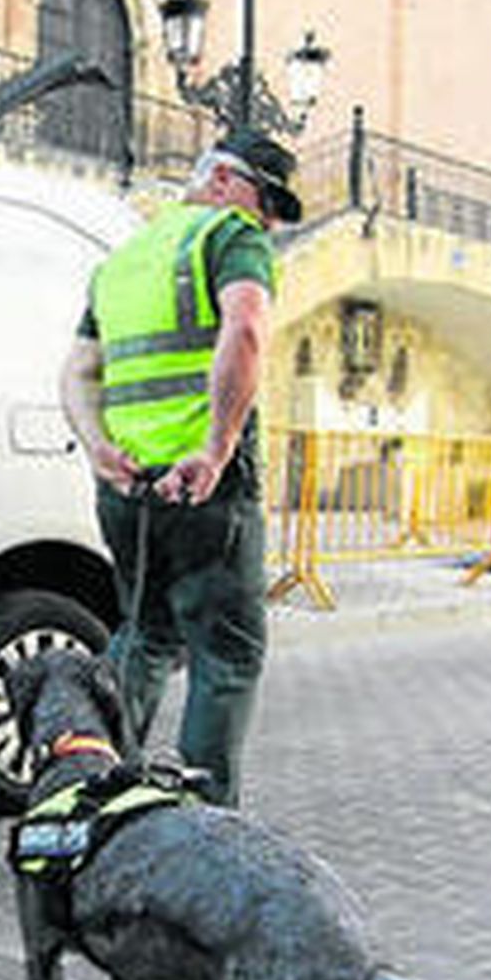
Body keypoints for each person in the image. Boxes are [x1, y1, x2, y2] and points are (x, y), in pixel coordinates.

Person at [58, 128, 301, 806]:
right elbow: (247, 327)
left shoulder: (124, 259)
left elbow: (77, 371)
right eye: (268, 199)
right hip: (204, 488)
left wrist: (97, 445)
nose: (271, 221)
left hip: (129, 488)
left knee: (144, 635)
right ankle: (205, 819)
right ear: (224, 179)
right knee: (227, 657)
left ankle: (93, 792)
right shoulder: (228, 235)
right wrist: (217, 448)